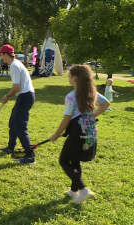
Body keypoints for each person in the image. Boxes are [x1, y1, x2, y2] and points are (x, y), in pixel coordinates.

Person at [49, 65, 110, 204]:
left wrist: (56, 134)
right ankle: (74, 191)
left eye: (69, 75)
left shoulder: (71, 97)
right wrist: (91, 116)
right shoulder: (92, 93)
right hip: (90, 132)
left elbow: (66, 120)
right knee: (74, 160)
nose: (68, 78)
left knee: (63, 161)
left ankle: (83, 189)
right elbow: (106, 103)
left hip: (77, 132)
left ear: (74, 78)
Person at [0, 44, 35, 164]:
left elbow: (16, 87)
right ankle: (10, 148)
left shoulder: (14, 66)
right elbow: (17, 87)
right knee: (13, 122)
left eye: (1, 55)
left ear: (5, 54)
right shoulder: (16, 63)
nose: (0, 58)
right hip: (25, 96)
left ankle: (30, 156)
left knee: (20, 126)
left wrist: (7, 96)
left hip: (25, 97)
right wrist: (9, 95)